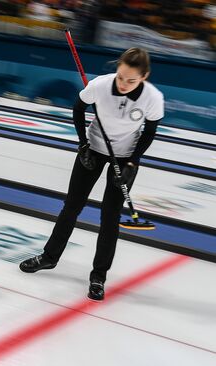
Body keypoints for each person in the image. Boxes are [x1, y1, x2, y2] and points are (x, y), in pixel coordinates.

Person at [20, 48, 164, 301]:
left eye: (131, 80)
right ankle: (49, 257)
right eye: (120, 77)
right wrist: (82, 143)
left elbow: (150, 131)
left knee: (109, 217)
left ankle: (98, 277)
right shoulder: (100, 85)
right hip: (94, 150)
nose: (123, 84)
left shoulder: (153, 98)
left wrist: (132, 162)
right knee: (72, 207)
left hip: (125, 155)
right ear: (117, 69)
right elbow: (78, 108)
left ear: (145, 76)